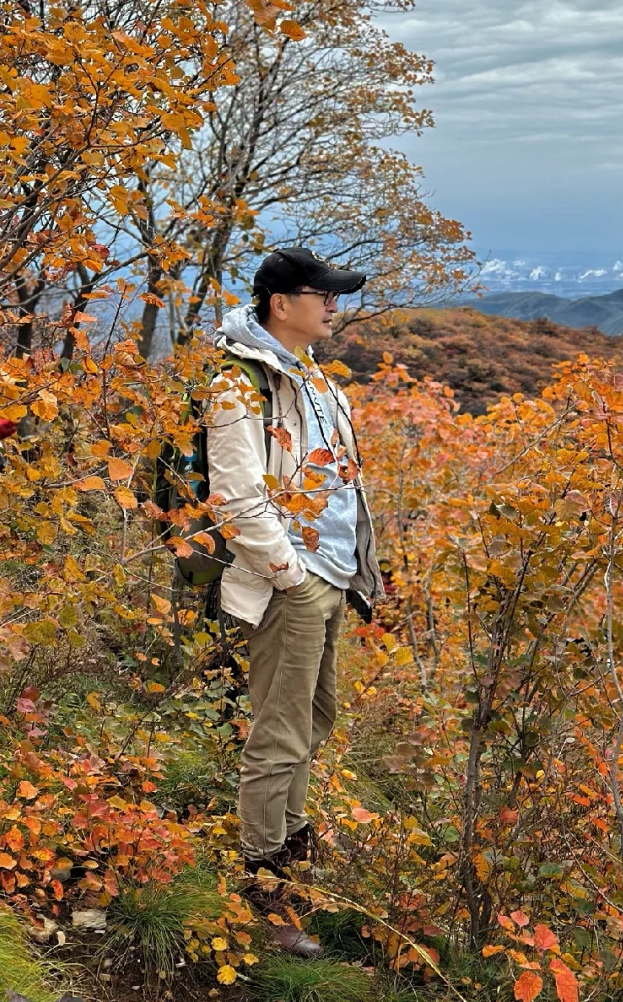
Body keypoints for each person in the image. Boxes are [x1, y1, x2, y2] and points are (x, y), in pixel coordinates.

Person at [205, 247, 385, 955]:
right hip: (296, 580)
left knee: (316, 716)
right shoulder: (239, 384)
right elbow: (238, 495)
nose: (335, 304)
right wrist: (290, 574)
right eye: (324, 293)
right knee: (280, 731)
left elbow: (342, 485)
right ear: (282, 302)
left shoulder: (312, 378)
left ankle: (291, 850)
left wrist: (356, 571)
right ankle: (264, 885)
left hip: (331, 576)